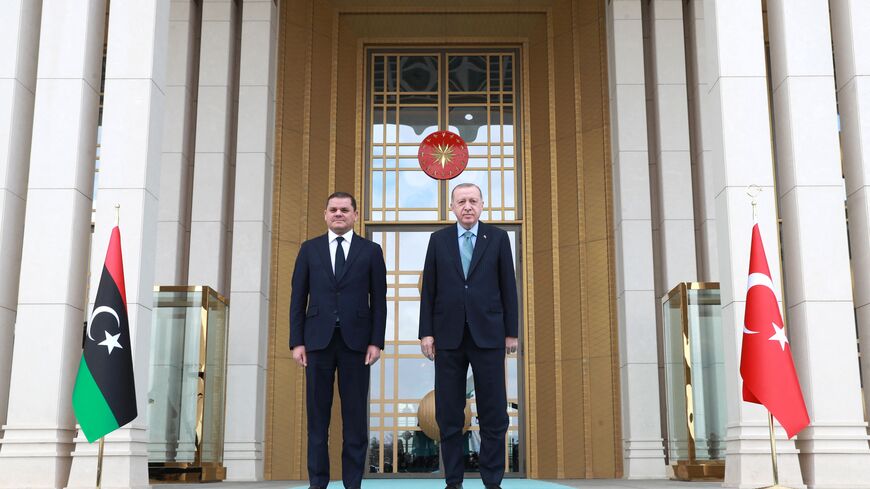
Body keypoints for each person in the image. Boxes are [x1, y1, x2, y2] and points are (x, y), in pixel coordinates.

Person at [419, 183, 519, 489]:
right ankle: (453, 482)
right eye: (461, 201)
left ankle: (492, 481)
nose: (467, 206)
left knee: (493, 413)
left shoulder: (498, 239)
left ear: (482, 205)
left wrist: (511, 333)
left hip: (488, 335)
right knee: (449, 414)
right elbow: (430, 291)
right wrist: (426, 333)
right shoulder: (438, 241)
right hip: (448, 337)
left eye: (472, 201)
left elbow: (508, 288)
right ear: (452, 207)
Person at [290, 192, 387, 489]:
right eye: (333, 209)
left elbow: (379, 301)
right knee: (317, 420)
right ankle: (317, 483)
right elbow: (298, 297)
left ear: (355, 215)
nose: (339, 214)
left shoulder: (371, 251)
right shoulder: (309, 250)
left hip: (357, 346)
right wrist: (297, 342)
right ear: (325, 214)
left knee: (355, 419)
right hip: (317, 343)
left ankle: (352, 483)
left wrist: (376, 342)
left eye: (345, 209)